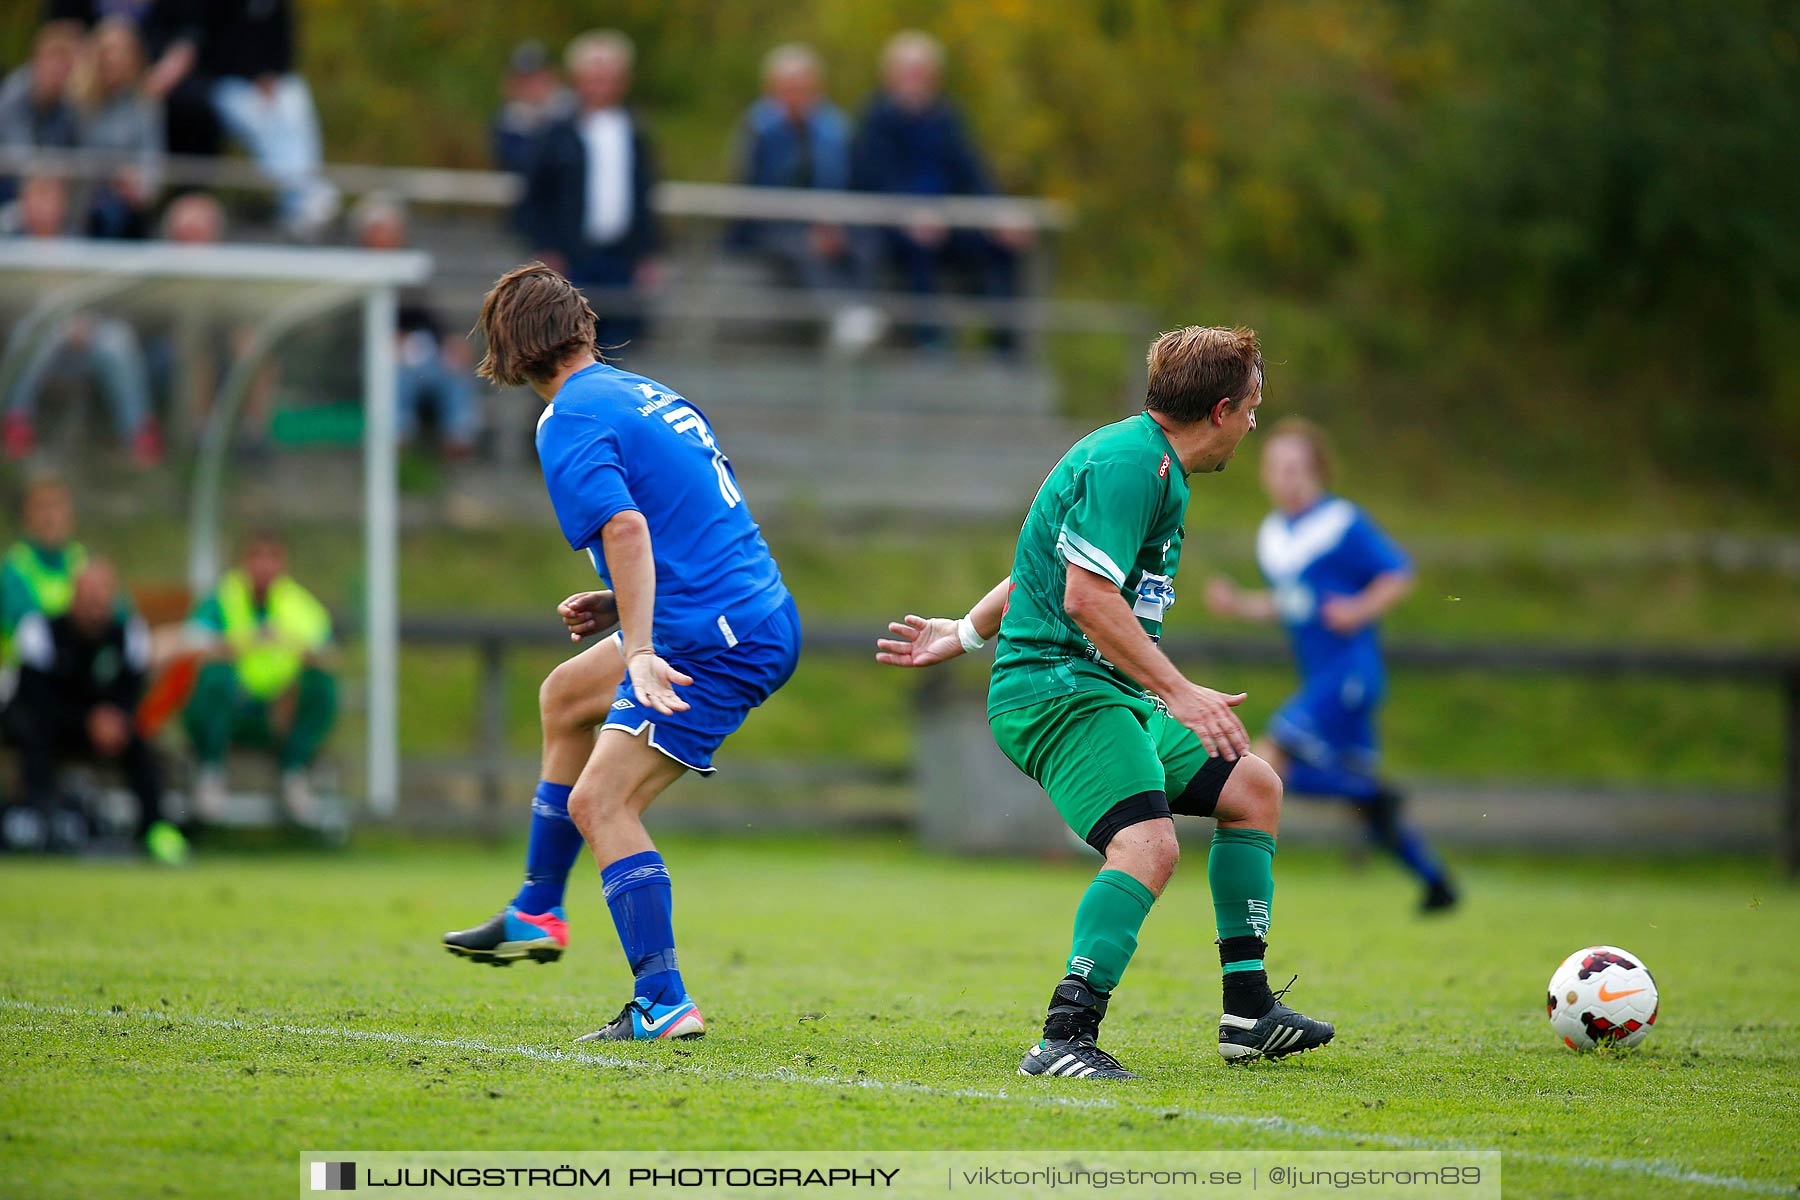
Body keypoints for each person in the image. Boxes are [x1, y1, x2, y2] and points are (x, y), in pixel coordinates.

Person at [876, 326, 1335, 1078]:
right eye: (1252, 408)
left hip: (1101, 690)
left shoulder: (1147, 463)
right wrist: (1179, 692)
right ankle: (1064, 1037)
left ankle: (1248, 1012)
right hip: (1056, 690)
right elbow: (1086, 599)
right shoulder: (1133, 466)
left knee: (1253, 787)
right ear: (1220, 411)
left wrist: (962, 631)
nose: (1254, 424)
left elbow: (1052, 561)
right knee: (1148, 847)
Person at [443, 263, 800, 1045]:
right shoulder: (646, 392)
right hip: (737, 609)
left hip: (710, 633)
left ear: (509, 355)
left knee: (600, 802)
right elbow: (689, 515)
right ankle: (537, 906)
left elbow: (629, 528)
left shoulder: (566, 417)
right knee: (566, 696)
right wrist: (625, 605)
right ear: (583, 326)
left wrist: (638, 644)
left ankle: (663, 1000)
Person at [1205, 419, 1457, 912]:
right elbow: (1291, 603)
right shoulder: (1274, 536)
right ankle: (1436, 884)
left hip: (1350, 674)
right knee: (1361, 803)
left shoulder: (1341, 523)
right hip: (1322, 676)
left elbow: (1397, 573)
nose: (1286, 476)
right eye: (1277, 467)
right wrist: (1238, 604)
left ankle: (1244, 898)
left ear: (1317, 469)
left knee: (1266, 757)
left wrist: (1358, 610)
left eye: (1296, 467)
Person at [851, 31, 1027, 348]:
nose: (916, 81)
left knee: (1001, 246)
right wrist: (908, 214)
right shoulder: (875, 121)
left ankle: (1005, 345)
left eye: (923, 74)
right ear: (890, 77)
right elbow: (874, 180)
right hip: (893, 227)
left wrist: (998, 214)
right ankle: (929, 340)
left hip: (947, 222)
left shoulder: (946, 120)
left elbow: (973, 175)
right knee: (921, 245)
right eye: (909, 73)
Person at [4, 558, 186, 863]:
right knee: (34, 733)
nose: (95, 599)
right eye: (88, 590)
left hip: (105, 729)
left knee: (139, 741)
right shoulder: (40, 630)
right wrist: (87, 721)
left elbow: (132, 693)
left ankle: (156, 829)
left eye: (102, 591)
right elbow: (35, 700)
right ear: (73, 593)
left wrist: (116, 722)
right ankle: (40, 823)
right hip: (53, 724)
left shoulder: (127, 632)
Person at [1, 174, 162, 464]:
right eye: (36, 198)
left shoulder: (82, 246)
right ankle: (15, 421)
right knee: (33, 332)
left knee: (117, 337)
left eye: (50, 199)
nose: (42, 208)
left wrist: (84, 323)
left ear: (62, 205)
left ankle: (137, 433)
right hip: (32, 343)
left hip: (79, 341)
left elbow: (97, 296)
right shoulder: (10, 245)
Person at [517, 31, 662, 352]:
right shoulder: (556, 131)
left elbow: (644, 194)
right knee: (562, 346)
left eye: (608, 78)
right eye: (593, 77)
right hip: (570, 257)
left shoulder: (633, 131)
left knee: (615, 347)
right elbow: (535, 195)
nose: (600, 86)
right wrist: (546, 247)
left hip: (619, 257)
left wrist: (646, 252)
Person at [181, 531, 335, 824]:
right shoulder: (222, 599)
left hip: (280, 710)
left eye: (272, 558)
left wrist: (291, 647)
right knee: (212, 677)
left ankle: (294, 773)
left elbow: (328, 655)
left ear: (284, 564)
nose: (264, 566)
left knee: (320, 685)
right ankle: (211, 772)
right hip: (233, 707)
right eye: (257, 557)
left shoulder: (300, 606)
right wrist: (241, 643)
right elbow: (191, 643)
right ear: (242, 562)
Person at [350, 192, 482, 458]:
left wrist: (449, 342)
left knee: (454, 365)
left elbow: (429, 316)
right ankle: (397, 442)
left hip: (416, 352)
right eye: (381, 230)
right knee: (392, 370)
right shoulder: (350, 274)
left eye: (392, 230)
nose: (387, 236)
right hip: (375, 354)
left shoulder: (408, 274)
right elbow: (348, 326)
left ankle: (459, 436)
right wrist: (383, 339)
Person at [733, 44, 871, 294]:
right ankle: (841, 315)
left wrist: (830, 222)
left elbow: (849, 182)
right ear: (772, 90)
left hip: (829, 219)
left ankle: (863, 312)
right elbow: (751, 189)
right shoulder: (759, 130)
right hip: (772, 225)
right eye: (789, 89)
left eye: (802, 89)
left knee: (864, 244)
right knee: (807, 247)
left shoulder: (835, 129)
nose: (796, 97)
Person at [75, 17, 165, 239]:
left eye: (121, 52)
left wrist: (138, 186)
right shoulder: (76, 101)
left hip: (125, 203)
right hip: (78, 198)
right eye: (107, 51)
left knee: (117, 215)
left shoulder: (145, 105)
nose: (114, 59)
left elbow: (153, 164)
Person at [1, 474, 87, 668]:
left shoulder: (82, 561)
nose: (49, 516)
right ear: (27, 515)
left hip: (76, 671)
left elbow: (116, 615)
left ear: (69, 513)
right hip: (22, 675)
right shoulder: (16, 566)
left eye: (56, 506)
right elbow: (29, 629)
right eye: (41, 507)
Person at [0, 22, 82, 202]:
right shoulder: (13, 94)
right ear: (38, 59)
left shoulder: (69, 105)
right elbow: (18, 157)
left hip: (50, 189)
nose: (57, 71)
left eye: (65, 64)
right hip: (10, 184)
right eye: (53, 60)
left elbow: (76, 155)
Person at [491, 40, 572, 177]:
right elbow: (513, 163)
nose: (533, 86)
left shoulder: (575, 114)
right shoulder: (506, 123)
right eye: (525, 80)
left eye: (539, 78)